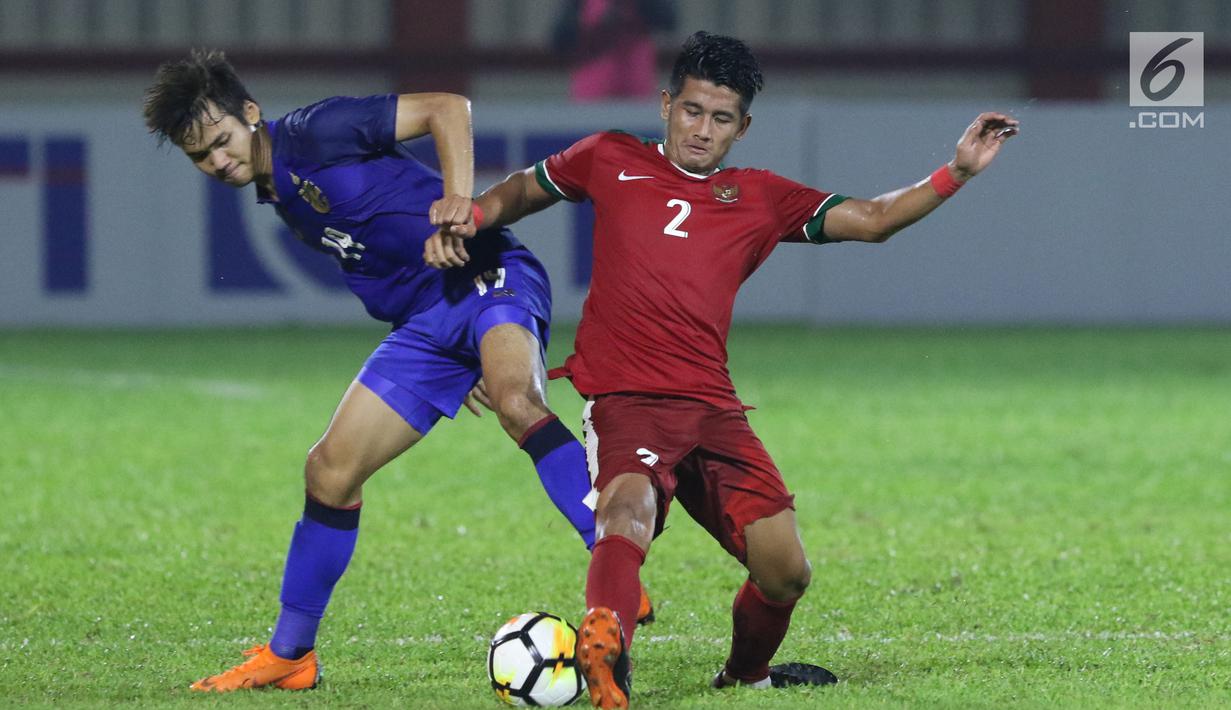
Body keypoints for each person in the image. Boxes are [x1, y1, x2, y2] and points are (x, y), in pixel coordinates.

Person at [426, 31, 1018, 708]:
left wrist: (957, 171)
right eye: (692, 111)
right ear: (665, 104)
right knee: (626, 509)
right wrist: (472, 214)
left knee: (785, 571)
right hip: (627, 396)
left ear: (742, 128)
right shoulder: (607, 157)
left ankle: (744, 675)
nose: (701, 130)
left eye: (720, 118)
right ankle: (605, 647)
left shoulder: (758, 197)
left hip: (712, 409)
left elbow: (874, 219)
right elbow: (524, 190)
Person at [141, 49, 653, 693]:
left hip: (492, 274)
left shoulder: (316, 131)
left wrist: (459, 204)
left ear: (251, 114)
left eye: (220, 141)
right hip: (429, 319)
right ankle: (291, 655)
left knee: (518, 402)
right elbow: (391, 256)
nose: (217, 162)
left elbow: (448, 108)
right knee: (328, 470)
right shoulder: (278, 192)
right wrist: (457, 354)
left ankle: (616, 577)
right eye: (200, 156)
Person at [550, 0, 677, 102]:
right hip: (591, 96)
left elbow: (668, 20)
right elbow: (560, 40)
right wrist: (598, 28)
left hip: (637, 93)